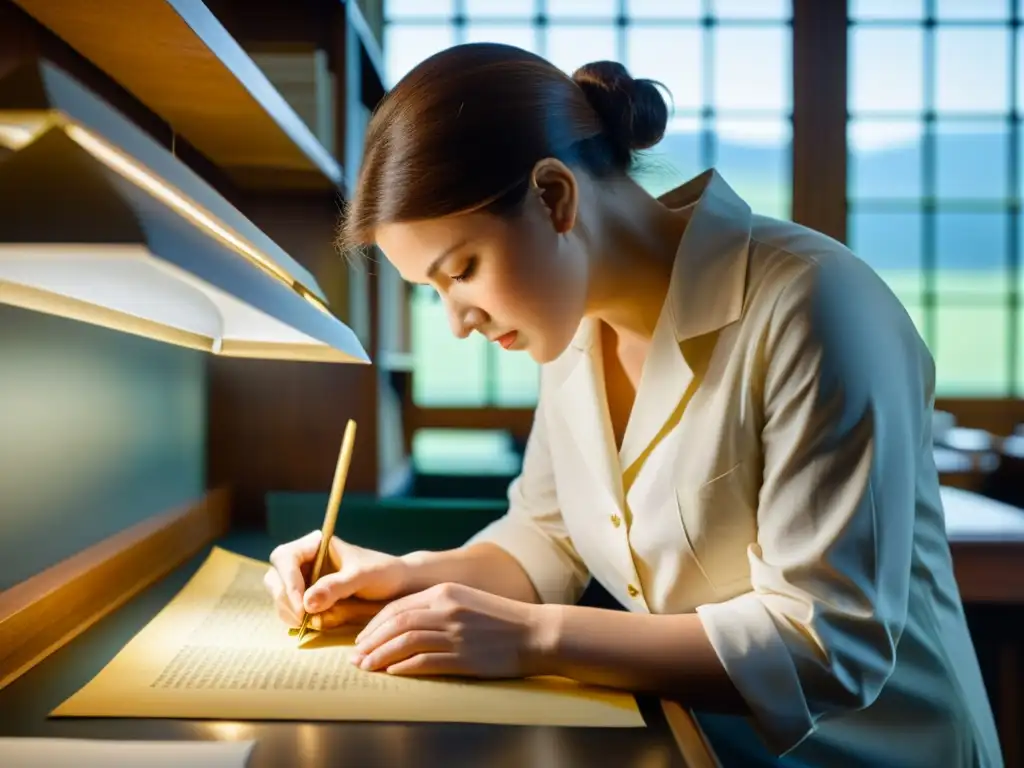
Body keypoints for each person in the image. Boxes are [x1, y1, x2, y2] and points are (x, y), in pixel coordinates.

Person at [263, 43, 1002, 767]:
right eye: (435, 290)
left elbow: (826, 644)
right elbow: (546, 539)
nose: (459, 321)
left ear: (555, 197)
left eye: (463, 270)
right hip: (700, 742)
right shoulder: (574, 323)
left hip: (881, 751)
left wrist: (534, 638)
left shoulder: (813, 305)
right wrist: (403, 576)